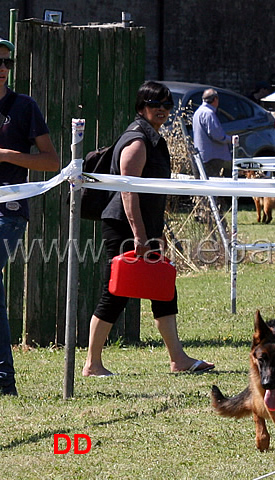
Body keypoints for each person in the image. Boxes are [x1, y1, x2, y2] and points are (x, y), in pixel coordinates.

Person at [82, 81, 214, 377]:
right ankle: (92, 364)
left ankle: (178, 359)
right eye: (157, 105)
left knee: (163, 290)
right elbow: (129, 192)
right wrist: (140, 236)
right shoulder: (138, 140)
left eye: (168, 105)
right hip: (124, 226)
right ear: (142, 107)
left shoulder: (151, 137)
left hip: (145, 228)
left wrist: (156, 233)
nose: (164, 110)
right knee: (114, 293)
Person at [0, 38, 60, 396]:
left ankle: (4, 378)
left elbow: (51, 161)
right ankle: (5, 381)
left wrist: (7, 155)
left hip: (8, 212)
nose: (3, 67)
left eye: (7, 61)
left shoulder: (24, 107)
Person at [192, 88, 232, 179]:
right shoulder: (209, 113)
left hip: (202, 155)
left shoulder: (198, 112)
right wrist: (231, 139)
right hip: (212, 157)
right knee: (212, 184)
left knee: (204, 184)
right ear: (215, 99)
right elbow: (217, 135)